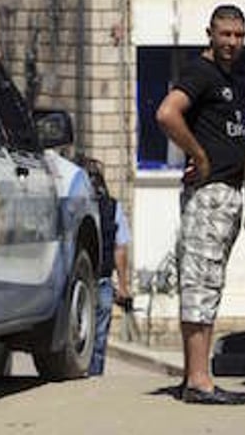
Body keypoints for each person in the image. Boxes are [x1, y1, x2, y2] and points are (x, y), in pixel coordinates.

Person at [154, 4, 245, 405]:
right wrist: (200, 155)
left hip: (228, 194)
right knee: (199, 282)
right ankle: (197, 380)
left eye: (239, 35)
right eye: (224, 34)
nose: (232, 43)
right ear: (209, 33)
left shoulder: (233, 77)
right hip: (208, 195)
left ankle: (199, 374)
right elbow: (166, 114)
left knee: (210, 283)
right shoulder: (201, 73)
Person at [81, 157, 132, 376]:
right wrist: (122, 286)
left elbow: (120, 247)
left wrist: (122, 286)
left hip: (99, 281)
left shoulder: (111, 207)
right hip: (87, 282)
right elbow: (120, 247)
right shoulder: (109, 206)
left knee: (98, 336)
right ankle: (87, 375)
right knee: (92, 335)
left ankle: (93, 377)